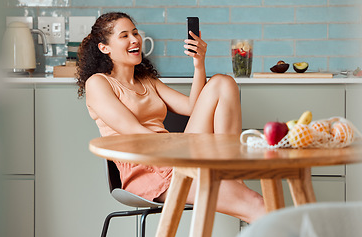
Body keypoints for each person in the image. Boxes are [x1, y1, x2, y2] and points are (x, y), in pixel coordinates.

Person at [76, 12, 265, 223]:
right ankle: (229, 175)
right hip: (148, 169)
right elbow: (134, 131)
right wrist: (181, 150)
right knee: (257, 204)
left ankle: (230, 171)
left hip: (175, 156)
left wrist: (198, 64)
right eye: (124, 35)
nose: (134, 39)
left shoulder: (147, 81)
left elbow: (194, 107)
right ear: (105, 48)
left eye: (135, 33)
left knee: (223, 82)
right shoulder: (98, 83)